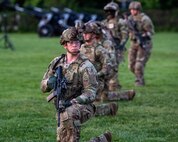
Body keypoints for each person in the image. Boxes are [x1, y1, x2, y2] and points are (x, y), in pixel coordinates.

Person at [40, 27, 112, 142]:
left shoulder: (86, 66)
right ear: (65, 45)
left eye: (77, 42)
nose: (75, 45)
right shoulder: (57, 63)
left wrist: (73, 101)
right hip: (62, 107)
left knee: (69, 114)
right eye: (71, 42)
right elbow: (42, 87)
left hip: (83, 106)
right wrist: (49, 82)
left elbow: (91, 93)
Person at [80, 22, 119, 116]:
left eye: (87, 33)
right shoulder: (81, 48)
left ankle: (109, 109)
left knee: (85, 111)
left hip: (96, 82)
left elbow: (108, 66)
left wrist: (97, 75)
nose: (84, 35)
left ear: (93, 34)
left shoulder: (99, 49)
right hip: (82, 81)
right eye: (84, 33)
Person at [102, 1, 129, 88]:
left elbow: (125, 35)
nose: (109, 13)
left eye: (111, 11)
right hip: (105, 48)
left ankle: (113, 85)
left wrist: (121, 45)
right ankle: (111, 85)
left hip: (116, 48)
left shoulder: (120, 22)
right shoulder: (103, 23)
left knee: (114, 67)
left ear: (116, 11)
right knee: (106, 66)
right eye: (108, 11)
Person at [127, 1, 155, 86]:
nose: (132, 11)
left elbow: (151, 32)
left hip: (144, 44)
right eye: (130, 9)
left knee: (138, 65)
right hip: (133, 43)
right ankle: (140, 77)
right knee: (131, 65)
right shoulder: (129, 19)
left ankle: (139, 82)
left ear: (138, 10)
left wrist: (142, 35)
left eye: (134, 9)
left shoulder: (145, 19)